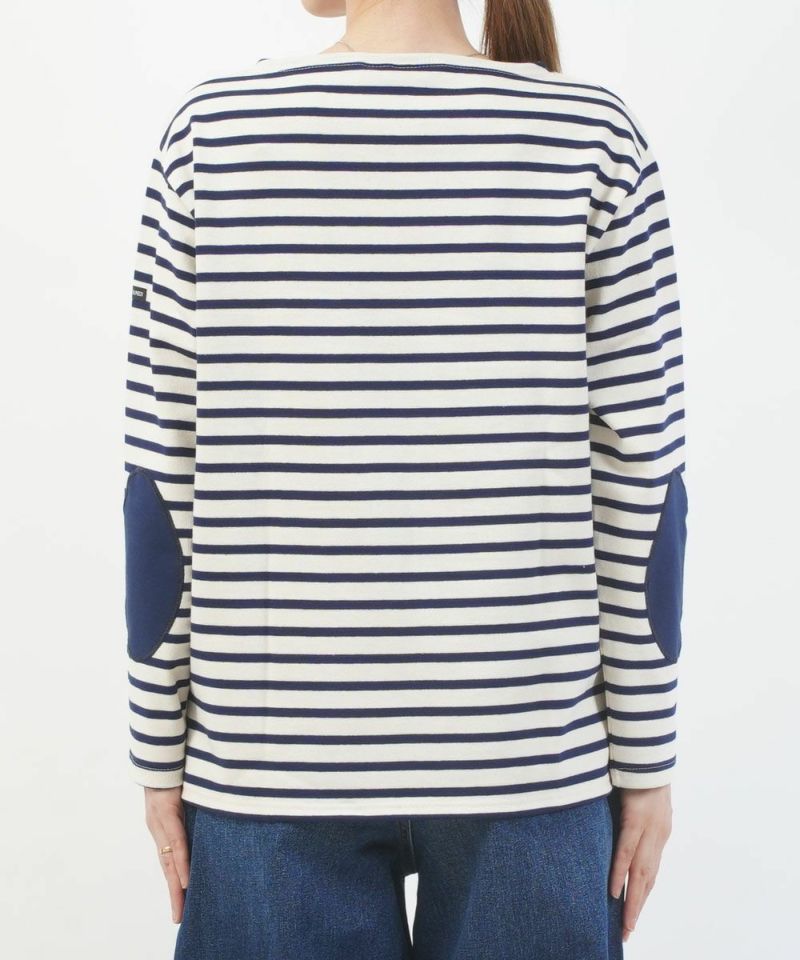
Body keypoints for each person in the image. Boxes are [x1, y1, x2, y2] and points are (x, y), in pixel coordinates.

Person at [122, 1, 688, 957]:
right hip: (530, 763)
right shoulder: (592, 136)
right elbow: (643, 485)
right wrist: (646, 758)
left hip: (268, 768)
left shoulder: (211, 136)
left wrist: (157, 751)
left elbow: (160, 483)